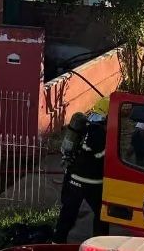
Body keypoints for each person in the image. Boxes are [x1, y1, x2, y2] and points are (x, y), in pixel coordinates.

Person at [54, 98, 110, 242]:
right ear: (107, 116)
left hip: (73, 179)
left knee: (68, 213)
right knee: (102, 214)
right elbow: (101, 157)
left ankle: (57, 242)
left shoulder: (85, 126)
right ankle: (100, 243)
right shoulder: (99, 133)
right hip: (92, 183)